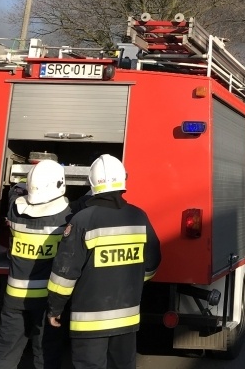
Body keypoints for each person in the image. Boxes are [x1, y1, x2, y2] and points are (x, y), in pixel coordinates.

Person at [47, 154, 161, 369]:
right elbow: (153, 262)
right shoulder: (139, 217)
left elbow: (64, 274)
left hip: (89, 322)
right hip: (127, 319)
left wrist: (55, 308)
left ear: (92, 183)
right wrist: (135, 281)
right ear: (122, 180)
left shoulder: (82, 220)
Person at [0, 160, 72, 369]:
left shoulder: (14, 211)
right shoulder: (65, 217)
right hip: (47, 301)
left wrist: (22, 183)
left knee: (5, 353)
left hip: (14, 298)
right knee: (46, 354)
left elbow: (14, 191)